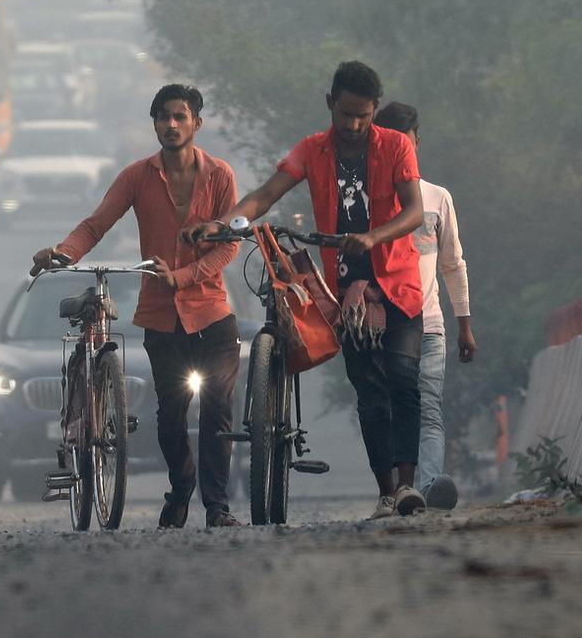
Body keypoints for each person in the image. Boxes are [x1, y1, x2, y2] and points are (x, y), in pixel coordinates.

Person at [187, 61, 427, 520]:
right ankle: (384, 493)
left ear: (374, 111)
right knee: (369, 391)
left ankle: (407, 487)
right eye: (346, 115)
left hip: (398, 285)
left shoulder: (396, 146)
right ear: (329, 104)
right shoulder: (312, 150)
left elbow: (414, 211)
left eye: (364, 116)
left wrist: (375, 237)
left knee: (402, 379)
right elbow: (265, 195)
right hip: (345, 291)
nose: (354, 126)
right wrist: (223, 224)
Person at [31, 84, 244, 529]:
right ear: (155, 124)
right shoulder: (137, 176)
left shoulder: (220, 175)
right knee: (170, 414)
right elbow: (97, 224)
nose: (171, 125)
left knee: (218, 408)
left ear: (196, 124)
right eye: (163, 117)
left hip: (212, 312)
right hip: (161, 317)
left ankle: (218, 506)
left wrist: (183, 277)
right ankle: (182, 485)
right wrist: (65, 253)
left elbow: (227, 249)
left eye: (180, 116)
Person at [374, 102, 477, 510]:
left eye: (407, 140)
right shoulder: (370, 199)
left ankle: (431, 484)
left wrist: (464, 324)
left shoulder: (437, 198)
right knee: (387, 406)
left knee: (428, 406)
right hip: (384, 323)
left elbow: (452, 263)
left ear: (417, 141)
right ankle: (396, 489)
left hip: (430, 322)